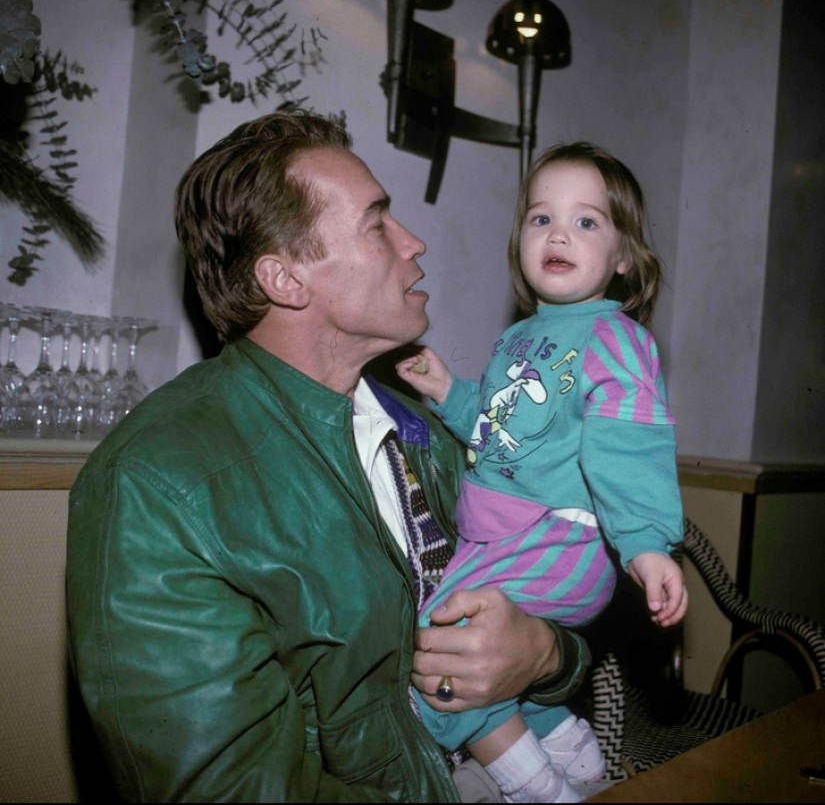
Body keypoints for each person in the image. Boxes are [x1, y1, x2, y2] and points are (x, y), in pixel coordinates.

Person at [65, 110, 593, 803]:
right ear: (285, 279)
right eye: (377, 224)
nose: (413, 242)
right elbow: (229, 789)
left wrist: (546, 654)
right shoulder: (156, 484)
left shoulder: (424, 431)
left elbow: (538, 601)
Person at [397, 142, 689, 803]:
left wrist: (645, 542)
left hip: (556, 539)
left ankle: (540, 791)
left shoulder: (612, 337)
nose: (558, 234)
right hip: (498, 536)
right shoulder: (520, 337)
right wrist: (448, 391)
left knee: (440, 665)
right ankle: (574, 756)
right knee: (485, 664)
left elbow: (629, 444)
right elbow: (502, 431)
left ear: (623, 256)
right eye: (540, 218)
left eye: (586, 221)